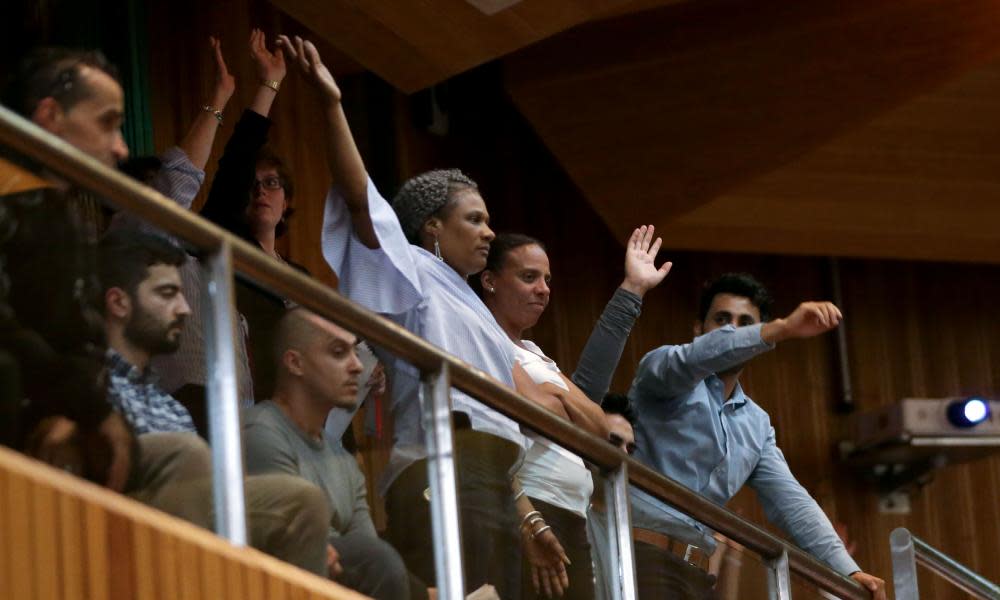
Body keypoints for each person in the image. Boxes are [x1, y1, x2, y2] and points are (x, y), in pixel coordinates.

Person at [281, 34, 527, 595]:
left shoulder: (475, 304)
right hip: (443, 472)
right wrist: (331, 104)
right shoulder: (412, 269)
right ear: (431, 228)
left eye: (489, 220)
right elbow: (362, 201)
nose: (490, 231)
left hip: (492, 478)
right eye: (474, 219)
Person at [628, 273, 886, 599]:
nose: (731, 331)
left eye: (744, 323)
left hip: (698, 572)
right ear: (698, 329)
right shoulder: (662, 368)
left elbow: (792, 502)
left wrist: (849, 570)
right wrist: (781, 328)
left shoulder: (757, 423)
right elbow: (693, 358)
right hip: (639, 554)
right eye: (721, 320)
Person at [98, 228, 330, 576]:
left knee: (303, 502)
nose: (185, 309)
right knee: (188, 454)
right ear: (119, 303)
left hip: (193, 537)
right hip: (120, 543)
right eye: (167, 294)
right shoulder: (90, 386)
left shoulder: (170, 404)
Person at [477, 228, 670, 598]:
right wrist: (559, 402)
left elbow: (599, 425)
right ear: (489, 280)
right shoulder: (485, 338)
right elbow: (537, 414)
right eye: (528, 277)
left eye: (547, 279)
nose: (544, 289)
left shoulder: (532, 351)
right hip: (531, 507)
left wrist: (555, 395)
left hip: (571, 513)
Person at [1, 47, 133, 490]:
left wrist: (83, 413)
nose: (121, 148)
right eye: (108, 123)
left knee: (173, 451)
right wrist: (77, 409)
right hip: (21, 400)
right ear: (50, 116)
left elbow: (83, 337)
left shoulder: (70, 218)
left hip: (57, 405)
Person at [113, 36, 255, 432]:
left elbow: (233, 175)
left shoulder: (190, 257)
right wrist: (218, 102)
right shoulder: (132, 231)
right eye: (150, 186)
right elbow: (178, 181)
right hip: (186, 403)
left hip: (234, 410)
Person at [242, 307, 431, 600]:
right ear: (295, 363)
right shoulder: (260, 432)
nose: (357, 366)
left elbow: (364, 551)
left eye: (356, 352)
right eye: (339, 352)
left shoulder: (342, 459)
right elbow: (305, 550)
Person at [200, 29, 303, 400]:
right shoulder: (227, 246)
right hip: (249, 405)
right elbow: (236, 163)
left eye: (273, 183)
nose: (261, 190)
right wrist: (269, 84)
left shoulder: (300, 277)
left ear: (287, 200)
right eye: (253, 183)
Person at [588, 393, 638, 600]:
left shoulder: (625, 529)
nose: (624, 454)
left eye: (630, 448)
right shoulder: (570, 511)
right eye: (614, 442)